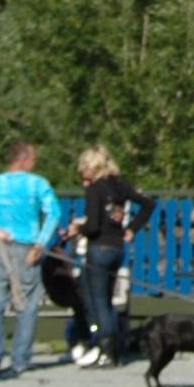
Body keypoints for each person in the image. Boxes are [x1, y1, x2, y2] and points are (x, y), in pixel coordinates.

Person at [0, 142, 65, 376]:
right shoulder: (37, 184)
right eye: (33, 158)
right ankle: (20, 358)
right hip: (27, 248)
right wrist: (41, 243)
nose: (35, 163)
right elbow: (53, 212)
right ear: (24, 160)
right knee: (27, 304)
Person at [70, 146, 149, 367]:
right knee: (109, 301)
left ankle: (103, 348)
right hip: (117, 248)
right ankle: (115, 349)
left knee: (98, 301)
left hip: (99, 248)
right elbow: (148, 204)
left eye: (83, 168)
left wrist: (78, 229)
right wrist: (132, 228)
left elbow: (93, 226)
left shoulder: (95, 189)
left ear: (91, 167)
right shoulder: (120, 185)